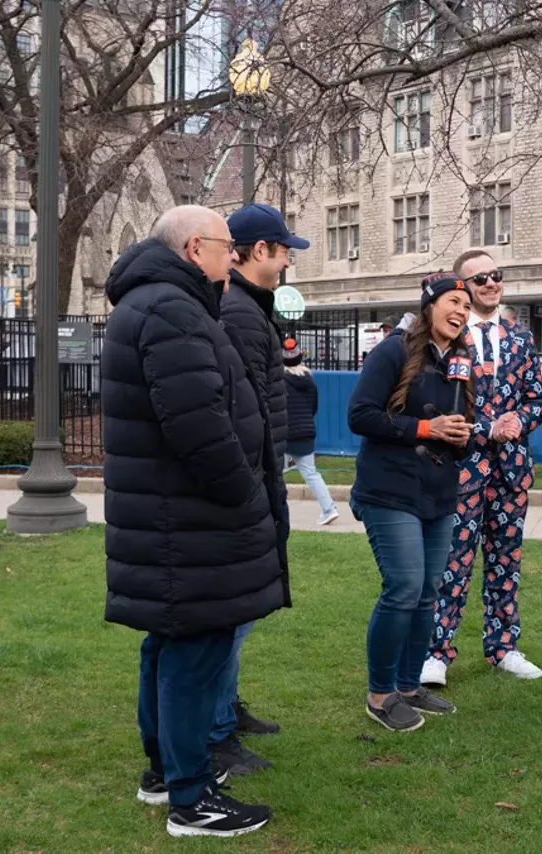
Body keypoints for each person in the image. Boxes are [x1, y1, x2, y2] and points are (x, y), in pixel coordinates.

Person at [102, 205, 284, 837]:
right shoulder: (171, 309)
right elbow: (199, 425)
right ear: (195, 247)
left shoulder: (157, 303)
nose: (231, 261)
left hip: (174, 520)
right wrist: (246, 492)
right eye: (226, 249)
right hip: (190, 523)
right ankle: (191, 796)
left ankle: (166, 775)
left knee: (170, 647)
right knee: (192, 653)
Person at [206, 203, 309, 775]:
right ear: (256, 251)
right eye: (282, 245)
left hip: (259, 475)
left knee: (237, 613)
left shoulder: (249, 309)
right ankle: (217, 727)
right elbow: (238, 410)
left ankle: (225, 708)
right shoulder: (241, 314)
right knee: (231, 614)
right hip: (249, 483)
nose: (289, 255)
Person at [348, 273, 475, 731]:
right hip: (389, 491)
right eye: (453, 301)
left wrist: (463, 435)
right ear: (429, 306)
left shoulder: (458, 362)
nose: (461, 310)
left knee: (427, 595)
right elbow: (359, 415)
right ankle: (380, 695)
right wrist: (426, 429)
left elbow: (455, 426)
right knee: (402, 589)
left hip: (437, 494)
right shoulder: (394, 350)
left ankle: (407, 685)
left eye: (467, 305)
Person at [421, 250, 542, 686]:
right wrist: (486, 429)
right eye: (478, 279)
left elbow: (536, 399)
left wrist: (517, 423)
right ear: (463, 288)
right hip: (460, 470)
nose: (490, 283)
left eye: (496, 275)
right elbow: (436, 408)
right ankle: (436, 652)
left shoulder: (520, 338)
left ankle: (503, 647)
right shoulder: (448, 340)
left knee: (505, 563)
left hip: (511, 472)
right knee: (452, 562)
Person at [282, 338, 340, 526]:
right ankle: (329, 509)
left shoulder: (279, 380)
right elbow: (313, 407)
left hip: (284, 432)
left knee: (273, 473)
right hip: (306, 431)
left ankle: (275, 511)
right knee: (311, 473)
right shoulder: (309, 379)